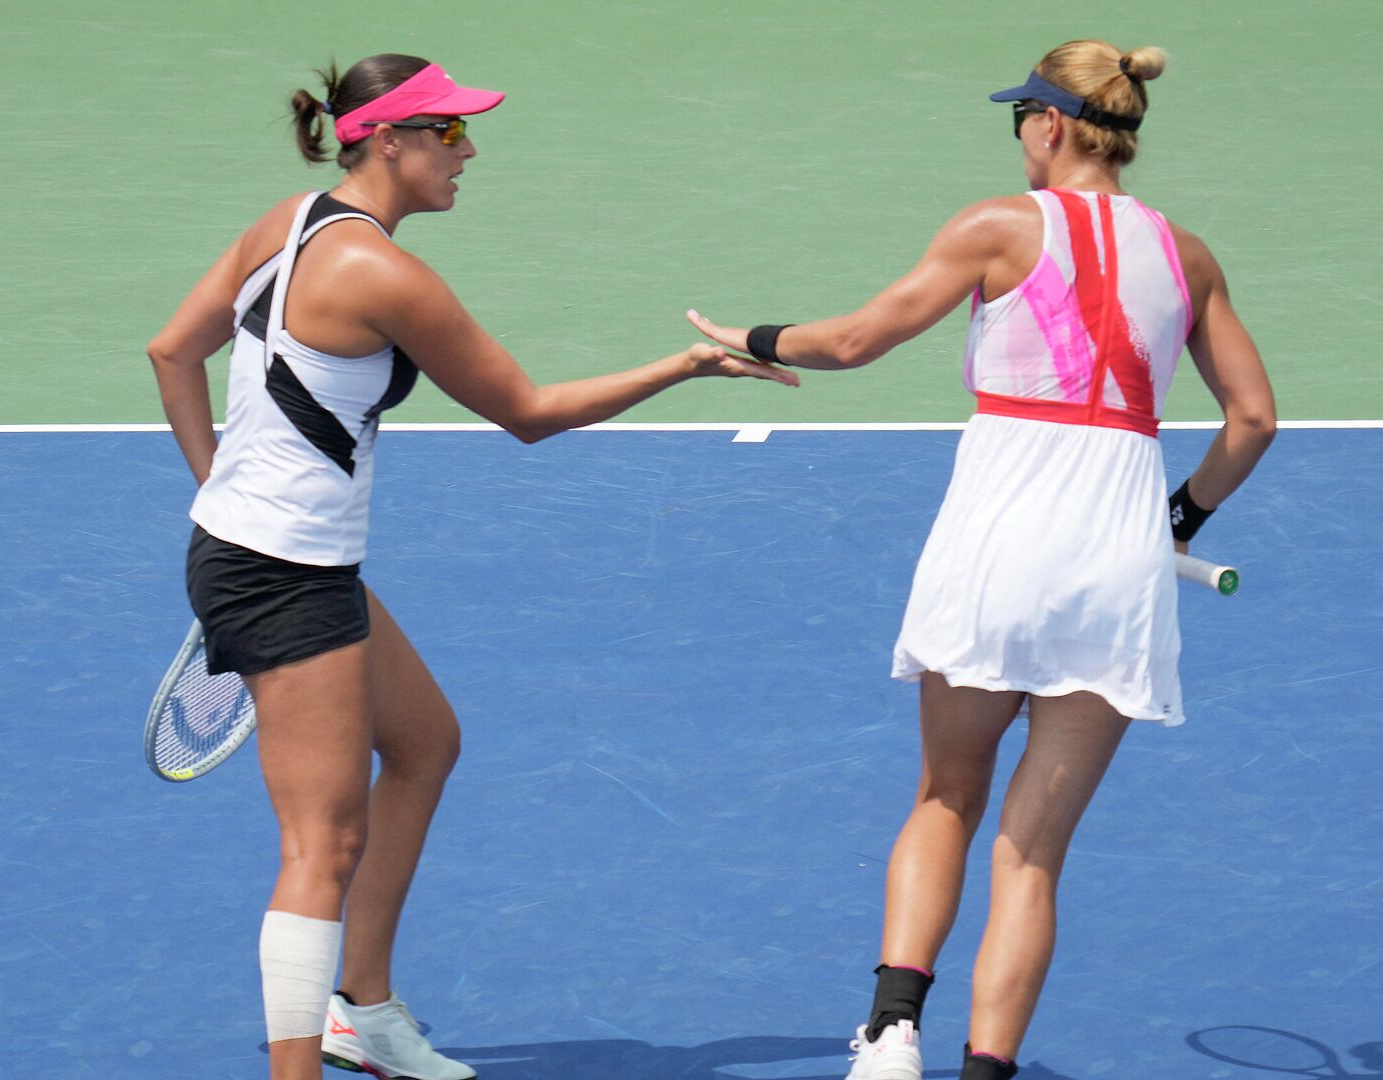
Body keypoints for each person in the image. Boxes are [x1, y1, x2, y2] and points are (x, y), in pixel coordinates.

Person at [146, 54, 795, 1080]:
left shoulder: (291, 218)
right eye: (449, 133)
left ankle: (364, 1009)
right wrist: (685, 365)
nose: (469, 151)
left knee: (425, 744)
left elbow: (171, 353)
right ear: (391, 141)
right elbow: (528, 415)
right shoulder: (382, 274)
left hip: (268, 555)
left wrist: (219, 496)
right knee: (321, 846)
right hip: (282, 576)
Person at [686, 39, 1275, 1080]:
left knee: (945, 795)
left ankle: (891, 1034)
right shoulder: (1188, 255)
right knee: (1034, 854)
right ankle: (985, 1070)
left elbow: (860, 338)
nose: (1015, 137)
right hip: (1118, 565)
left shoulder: (999, 227)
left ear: (1049, 124)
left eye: (1018, 119)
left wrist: (752, 336)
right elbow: (1253, 421)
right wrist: (1174, 522)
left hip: (999, 547)